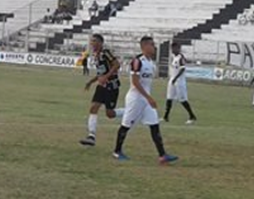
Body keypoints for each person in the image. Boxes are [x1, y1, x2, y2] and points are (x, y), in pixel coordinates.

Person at [113, 36, 178, 164]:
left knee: (154, 125)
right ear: (145, 47)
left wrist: (148, 98)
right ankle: (117, 151)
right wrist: (149, 98)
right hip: (136, 99)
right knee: (126, 125)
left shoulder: (150, 63)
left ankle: (162, 155)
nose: (154, 47)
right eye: (152, 45)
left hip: (146, 99)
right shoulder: (137, 61)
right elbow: (135, 82)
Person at [80, 34, 124, 147]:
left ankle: (130, 112)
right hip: (102, 86)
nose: (92, 43)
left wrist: (106, 76)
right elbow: (101, 73)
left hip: (111, 86)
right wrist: (91, 81)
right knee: (93, 108)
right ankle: (91, 136)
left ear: (100, 42)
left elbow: (116, 65)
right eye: (91, 41)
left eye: (94, 41)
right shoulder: (96, 55)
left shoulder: (106, 53)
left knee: (110, 114)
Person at [163, 41, 197, 124]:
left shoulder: (181, 58)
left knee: (182, 99)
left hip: (179, 82)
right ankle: (165, 117)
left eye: (175, 48)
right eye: (172, 48)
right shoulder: (174, 57)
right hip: (172, 81)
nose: (173, 50)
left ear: (178, 48)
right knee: (169, 98)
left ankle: (192, 116)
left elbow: (182, 69)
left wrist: (175, 78)